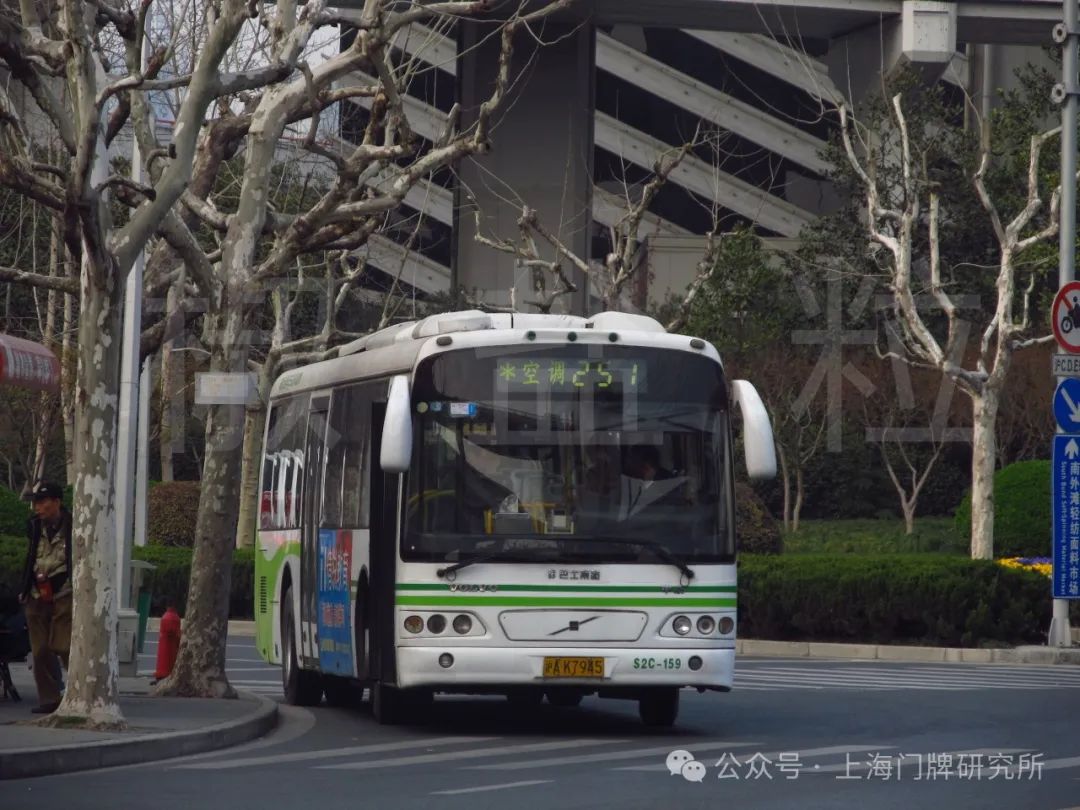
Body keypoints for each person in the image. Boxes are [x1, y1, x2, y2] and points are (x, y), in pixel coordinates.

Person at [18, 481, 72, 714]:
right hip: (36, 592)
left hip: (64, 591)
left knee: (63, 645)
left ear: (56, 502)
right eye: (35, 503)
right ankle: (49, 698)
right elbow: (30, 557)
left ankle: (77, 691)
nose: (38, 507)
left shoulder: (72, 525)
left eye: (42, 502)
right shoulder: (34, 526)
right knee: (39, 650)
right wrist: (24, 587)